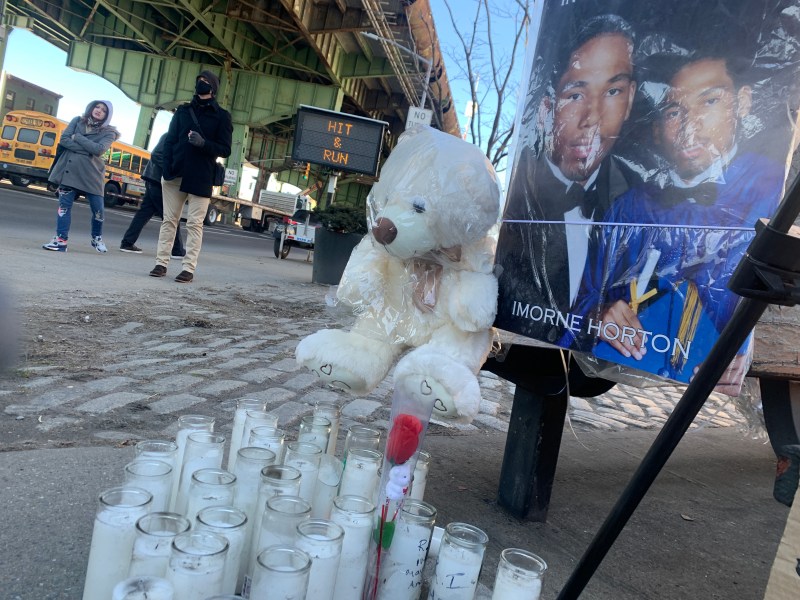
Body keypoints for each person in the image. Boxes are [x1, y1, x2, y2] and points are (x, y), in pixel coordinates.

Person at [568, 51, 785, 387]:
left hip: (721, 390)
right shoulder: (630, 208)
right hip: (617, 376)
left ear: (742, 102)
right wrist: (597, 313)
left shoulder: (774, 190)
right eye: (673, 111)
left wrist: (745, 342)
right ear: (656, 129)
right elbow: (582, 294)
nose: (689, 125)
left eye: (709, 101)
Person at [494, 14, 638, 344]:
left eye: (612, 91)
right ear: (546, 108)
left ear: (630, 98)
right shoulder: (511, 197)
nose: (593, 118)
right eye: (575, 95)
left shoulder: (646, 207)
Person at [149, 70, 232, 283]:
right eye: (199, 80)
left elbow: (225, 149)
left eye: (205, 81)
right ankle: (161, 263)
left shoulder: (222, 116)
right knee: (169, 220)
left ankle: (188, 268)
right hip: (175, 173)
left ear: (213, 88)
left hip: (201, 176)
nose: (201, 84)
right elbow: (170, 140)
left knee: (194, 224)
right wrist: (166, 167)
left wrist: (204, 144)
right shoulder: (183, 111)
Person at [42, 100, 119, 252]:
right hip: (69, 171)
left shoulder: (109, 132)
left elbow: (99, 150)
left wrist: (77, 137)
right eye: (97, 107)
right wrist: (88, 150)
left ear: (107, 115)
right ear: (91, 107)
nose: (99, 110)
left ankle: (96, 237)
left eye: (104, 110)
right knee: (64, 208)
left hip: (92, 175)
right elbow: (64, 140)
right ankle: (61, 241)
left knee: (98, 210)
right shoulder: (77, 121)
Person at [119, 133, 185, 257]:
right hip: (158, 181)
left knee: (144, 213)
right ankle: (177, 250)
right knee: (171, 215)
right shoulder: (173, 135)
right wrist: (172, 171)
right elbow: (156, 155)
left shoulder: (174, 135)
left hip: (153, 179)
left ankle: (127, 243)